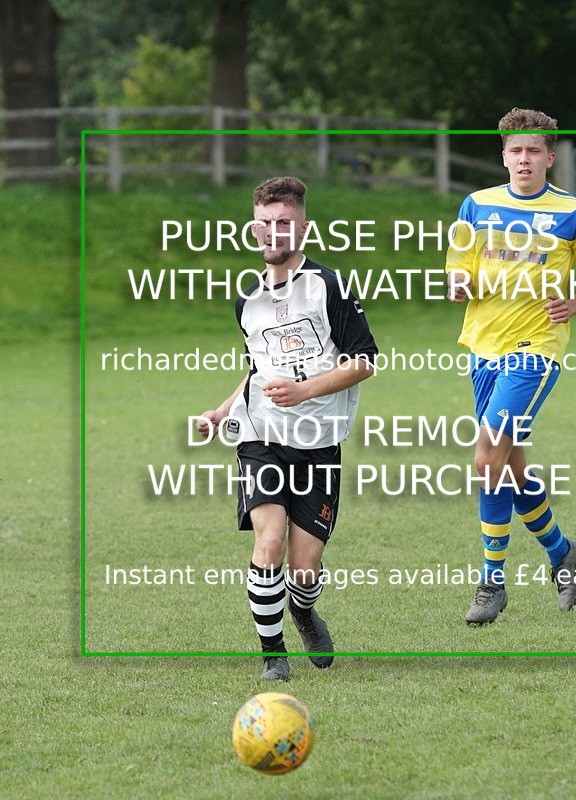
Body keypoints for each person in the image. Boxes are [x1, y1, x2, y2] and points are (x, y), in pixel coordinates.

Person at [197, 177, 377, 678]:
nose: (273, 231)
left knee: (303, 570)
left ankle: (303, 609)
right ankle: (272, 655)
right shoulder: (247, 299)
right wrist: (221, 412)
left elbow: (364, 361)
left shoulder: (329, 287)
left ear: (303, 228)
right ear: (253, 227)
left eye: (283, 223)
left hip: (318, 442)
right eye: (264, 222)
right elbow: (257, 370)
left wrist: (305, 390)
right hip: (260, 436)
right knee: (270, 542)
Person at [445, 108, 576, 624]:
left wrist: (575, 303)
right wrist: (458, 284)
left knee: (486, 458)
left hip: (535, 351)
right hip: (483, 349)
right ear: (504, 157)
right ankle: (562, 553)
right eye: (515, 150)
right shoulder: (476, 206)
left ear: (550, 157)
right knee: (509, 464)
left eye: (533, 150)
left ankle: (491, 583)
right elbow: (459, 269)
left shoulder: (574, 213)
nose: (524, 158)